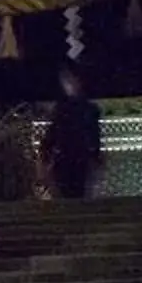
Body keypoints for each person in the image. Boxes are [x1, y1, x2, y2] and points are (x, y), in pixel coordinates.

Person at [39, 63, 103, 200]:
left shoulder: (87, 109)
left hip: (80, 159)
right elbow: (54, 132)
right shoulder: (62, 108)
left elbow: (93, 134)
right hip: (65, 158)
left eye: (70, 79)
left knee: (78, 194)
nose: (68, 83)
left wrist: (96, 156)